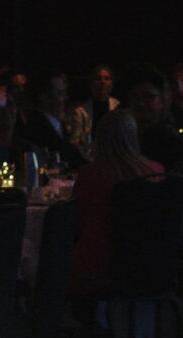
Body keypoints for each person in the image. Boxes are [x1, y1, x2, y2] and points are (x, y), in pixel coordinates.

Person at [69, 108, 160, 302]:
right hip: (150, 264)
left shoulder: (91, 175)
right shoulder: (156, 172)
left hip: (99, 266)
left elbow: (76, 223)